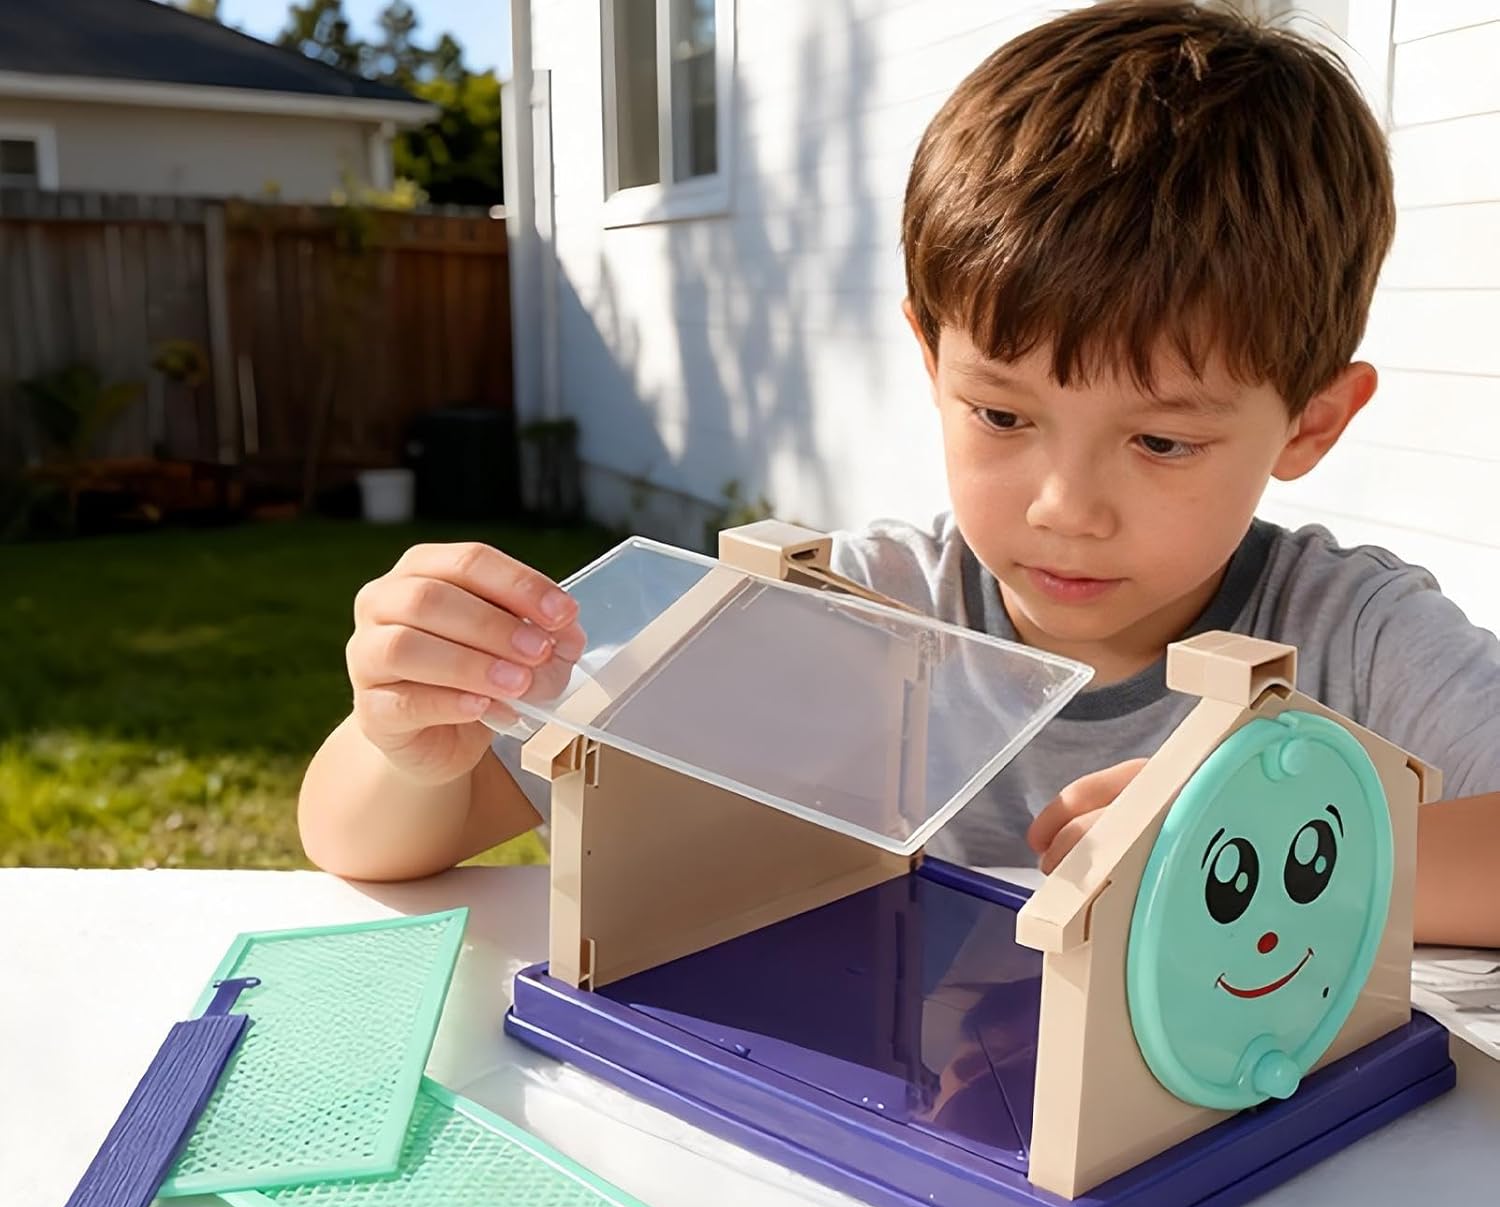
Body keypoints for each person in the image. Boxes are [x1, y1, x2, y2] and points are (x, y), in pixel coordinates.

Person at [298, 1, 1500, 947]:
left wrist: (1291, 857)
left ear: (1311, 424)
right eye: (1002, 413)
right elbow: (370, 839)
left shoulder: (1357, 636)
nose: (1064, 509)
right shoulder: (848, 616)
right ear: (932, 361)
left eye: (1162, 442)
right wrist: (410, 740)